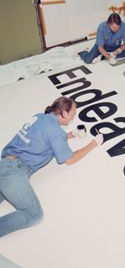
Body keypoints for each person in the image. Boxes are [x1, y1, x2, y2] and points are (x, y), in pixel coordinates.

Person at [0, 97, 103, 237]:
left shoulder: (40, 117)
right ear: (64, 113)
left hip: (4, 165)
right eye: (72, 113)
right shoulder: (55, 131)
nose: (73, 117)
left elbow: (42, 139)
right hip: (13, 172)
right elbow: (70, 160)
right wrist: (93, 144)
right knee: (34, 215)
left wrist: (71, 135)